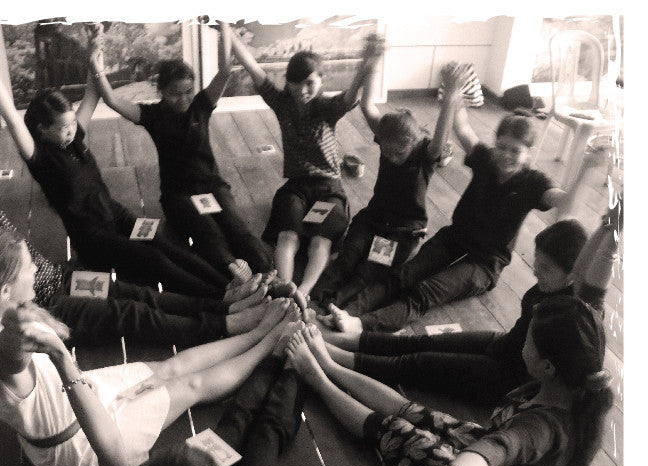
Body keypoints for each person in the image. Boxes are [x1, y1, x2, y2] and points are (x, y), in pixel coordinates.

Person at [0, 223, 301, 466]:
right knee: (191, 385)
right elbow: (8, 353)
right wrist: (18, 330)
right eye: (28, 267)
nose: (36, 269)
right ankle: (268, 342)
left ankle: (255, 333)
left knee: (171, 367)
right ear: (4, 290)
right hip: (79, 444)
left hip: (79, 397)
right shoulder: (1, 353)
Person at [265, 303, 612, 466]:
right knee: (416, 411)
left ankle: (317, 378)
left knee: (397, 429)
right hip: (482, 462)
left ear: (548, 366)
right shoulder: (567, 386)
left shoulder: (545, 429)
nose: (522, 342)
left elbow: (503, 446)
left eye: (529, 340)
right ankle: (329, 365)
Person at [0, 142, 271, 351]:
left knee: (136, 294)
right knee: (130, 315)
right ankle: (224, 327)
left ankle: (224, 307)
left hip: (61, 278)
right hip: (44, 308)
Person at [0, 31, 229, 298]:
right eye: (63, 127)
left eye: (73, 122)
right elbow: (11, 117)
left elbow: (92, 93)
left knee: (162, 240)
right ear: (42, 129)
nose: (72, 130)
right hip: (94, 237)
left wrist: (94, 50)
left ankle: (228, 283)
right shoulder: (40, 158)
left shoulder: (73, 139)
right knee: (155, 260)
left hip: (115, 214)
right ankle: (220, 298)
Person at [323, 88, 576, 334]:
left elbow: (564, 202)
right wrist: (454, 96)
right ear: (495, 143)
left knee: (426, 292)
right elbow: (463, 128)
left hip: (485, 262)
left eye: (515, 151)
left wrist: (587, 168)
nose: (505, 155)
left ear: (529, 153)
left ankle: (360, 324)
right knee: (404, 275)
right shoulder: (485, 158)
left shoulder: (534, 182)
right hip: (454, 238)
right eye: (501, 146)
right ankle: (345, 309)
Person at [319, 220, 590, 405]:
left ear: (573, 274)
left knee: (417, 364)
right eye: (536, 262)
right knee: (418, 342)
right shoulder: (549, 284)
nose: (536, 271)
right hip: (505, 344)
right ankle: (334, 339)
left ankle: (332, 356)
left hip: (508, 378)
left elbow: (598, 272)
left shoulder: (574, 309)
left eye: (546, 268)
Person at [90, 24, 273, 280]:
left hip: (212, 185)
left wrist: (223, 25)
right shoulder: (152, 115)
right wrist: (94, 61)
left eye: (188, 91)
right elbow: (111, 99)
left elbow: (225, 70)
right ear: (161, 91)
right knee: (208, 232)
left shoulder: (201, 106)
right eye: (175, 94)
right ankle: (234, 275)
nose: (184, 99)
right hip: (178, 194)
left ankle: (269, 273)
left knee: (237, 227)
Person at [226, 24, 385, 301]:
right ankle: (285, 288)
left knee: (319, 242)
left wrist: (366, 63)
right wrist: (224, 28)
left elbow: (351, 95)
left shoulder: (327, 108)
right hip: (296, 188)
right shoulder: (282, 103)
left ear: (322, 80)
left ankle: (304, 291)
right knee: (288, 236)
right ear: (287, 82)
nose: (302, 90)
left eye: (310, 82)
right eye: (296, 82)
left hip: (328, 189)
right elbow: (251, 66)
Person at [106, 322, 306, 466]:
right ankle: (294, 369)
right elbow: (106, 447)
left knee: (238, 423)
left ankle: (277, 358)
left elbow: (105, 446)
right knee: (267, 432)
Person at [313, 62, 468, 310]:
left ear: (414, 143)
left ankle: (337, 304)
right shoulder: (387, 136)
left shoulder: (425, 155)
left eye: (398, 153)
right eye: (386, 151)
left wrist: (450, 94)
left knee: (369, 269)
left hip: (402, 230)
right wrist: (372, 64)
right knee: (347, 258)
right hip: (373, 219)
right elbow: (367, 106)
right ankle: (314, 295)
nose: (392, 157)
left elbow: (441, 134)